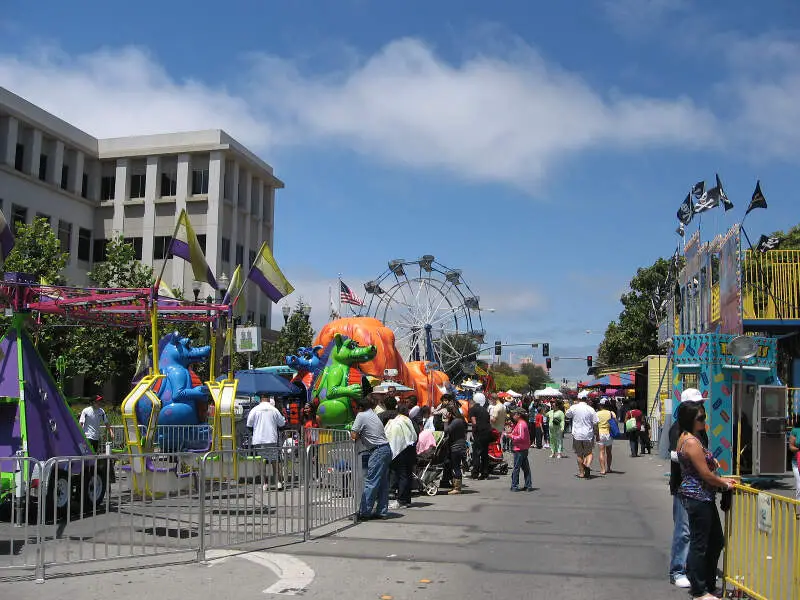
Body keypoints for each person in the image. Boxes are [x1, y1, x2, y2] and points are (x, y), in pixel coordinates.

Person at [676, 400, 735, 600]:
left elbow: (704, 465)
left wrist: (712, 462)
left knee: (715, 541)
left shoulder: (692, 438)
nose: (704, 421)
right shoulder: (691, 441)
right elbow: (705, 474)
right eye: (700, 418)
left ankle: (708, 584)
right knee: (700, 545)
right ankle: (699, 590)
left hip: (702, 496)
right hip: (698, 496)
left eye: (704, 417)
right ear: (689, 420)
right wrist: (724, 484)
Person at [668, 388, 708, 589]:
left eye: (701, 404)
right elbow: (675, 454)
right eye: (696, 405)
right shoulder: (678, 429)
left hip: (700, 489)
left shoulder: (700, 429)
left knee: (696, 531)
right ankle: (677, 570)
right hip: (683, 488)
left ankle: (692, 568)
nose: (701, 409)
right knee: (683, 531)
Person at [352, 394, 393, 520]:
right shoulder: (372, 414)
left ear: (359, 407)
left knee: (371, 482)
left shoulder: (361, 415)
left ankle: (364, 512)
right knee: (382, 483)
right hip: (386, 449)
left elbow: (354, 435)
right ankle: (382, 511)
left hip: (378, 450)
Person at [247, 395, 287, 491]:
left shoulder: (254, 410)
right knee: (274, 461)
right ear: (269, 399)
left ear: (260, 399)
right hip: (271, 438)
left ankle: (264, 484)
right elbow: (282, 423)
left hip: (259, 439)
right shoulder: (274, 410)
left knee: (262, 462)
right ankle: (278, 482)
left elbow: (249, 424)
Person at [384, 403, 418, 508]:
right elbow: (415, 435)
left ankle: (401, 500)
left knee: (402, 476)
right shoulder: (409, 421)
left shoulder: (395, 422)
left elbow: (389, 436)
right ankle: (406, 500)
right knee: (407, 475)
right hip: (410, 450)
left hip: (399, 452)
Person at [566, 397, 598, 478]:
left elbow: (567, 415)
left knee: (579, 455)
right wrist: (597, 434)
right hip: (588, 434)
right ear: (587, 400)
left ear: (579, 400)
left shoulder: (574, 407)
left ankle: (581, 473)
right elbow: (595, 422)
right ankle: (587, 464)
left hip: (577, 434)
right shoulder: (591, 409)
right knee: (589, 453)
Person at [509, 410, 533, 492]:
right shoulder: (522, 423)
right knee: (525, 468)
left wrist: (511, 436)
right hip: (523, 448)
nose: (513, 416)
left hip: (519, 449)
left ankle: (515, 485)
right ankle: (528, 485)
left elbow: (521, 437)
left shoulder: (521, 424)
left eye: (514, 414)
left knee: (516, 468)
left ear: (518, 415)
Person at [446, 406, 468, 495]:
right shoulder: (461, 420)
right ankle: (456, 486)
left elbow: (447, 430)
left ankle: (457, 488)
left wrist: (446, 421)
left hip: (457, 447)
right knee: (456, 466)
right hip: (460, 445)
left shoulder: (456, 421)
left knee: (456, 467)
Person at [469, 394, 491, 480]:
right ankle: (485, 473)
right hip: (487, 432)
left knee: (476, 453)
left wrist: (473, 432)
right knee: (485, 453)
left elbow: (474, 422)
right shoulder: (484, 410)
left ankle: (475, 473)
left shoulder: (473, 409)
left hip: (479, 433)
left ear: (473, 402)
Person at [596, 398, 616, 474]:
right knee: (609, 452)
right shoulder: (611, 413)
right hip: (609, 434)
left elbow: (595, 425)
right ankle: (609, 468)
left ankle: (603, 469)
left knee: (601, 452)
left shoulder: (597, 413)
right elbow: (615, 423)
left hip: (600, 433)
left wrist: (596, 435)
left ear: (600, 405)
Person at [788, 416, 800, 519]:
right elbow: (791, 447)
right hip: (797, 462)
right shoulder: (795, 430)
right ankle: (798, 510)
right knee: (799, 485)